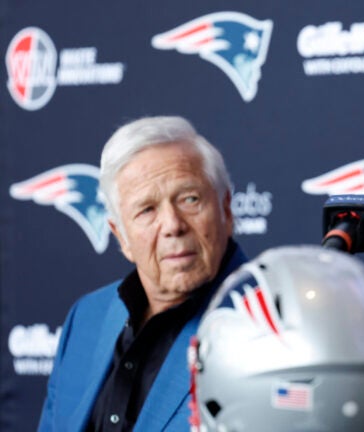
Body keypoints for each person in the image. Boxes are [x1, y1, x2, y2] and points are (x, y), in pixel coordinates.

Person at [38, 116, 248, 431]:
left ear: (226, 210)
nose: (173, 225)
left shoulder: (267, 324)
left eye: (189, 199)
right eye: (146, 210)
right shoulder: (85, 318)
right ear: (121, 235)